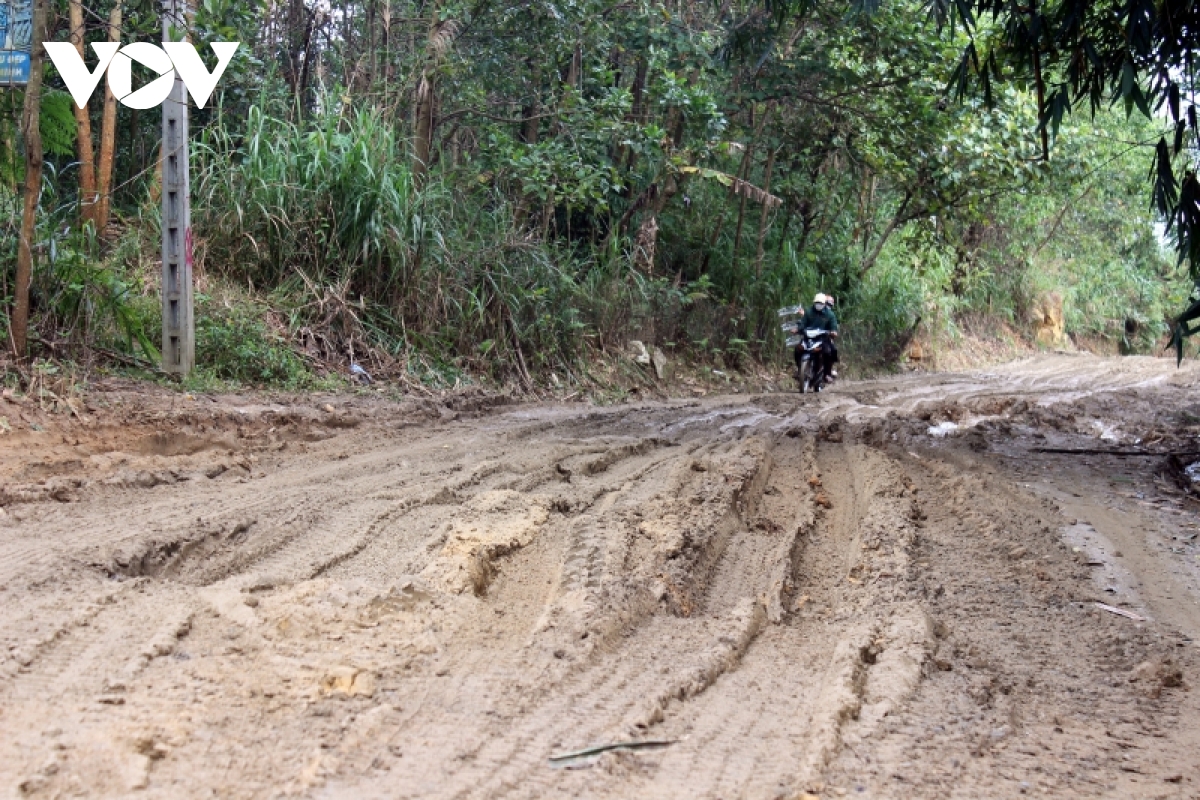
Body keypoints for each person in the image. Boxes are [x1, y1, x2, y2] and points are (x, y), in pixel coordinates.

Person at [794, 292, 839, 381]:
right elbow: (803, 323)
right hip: (809, 337)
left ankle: (827, 373)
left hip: (822, 338)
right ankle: (800, 370)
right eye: (817, 303)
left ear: (824, 304)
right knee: (798, 349)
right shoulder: (809, 312)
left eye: (821, 303)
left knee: (828, 352)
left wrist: (833, 332)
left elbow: (833, 326)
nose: (818, 305)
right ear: (814, 303)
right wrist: (798, 329)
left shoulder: (830, 314)